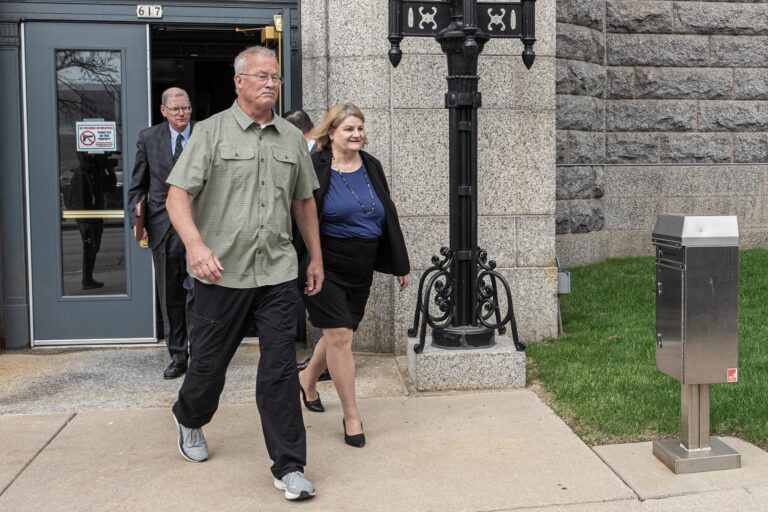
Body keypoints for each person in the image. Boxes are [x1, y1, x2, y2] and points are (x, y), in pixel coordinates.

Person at [165, 46, 323, 502]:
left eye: (275, 77)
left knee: (278, 370)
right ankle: (189, 416)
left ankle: (289, 466)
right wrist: (196, 246)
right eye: (261, 76)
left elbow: (304, 202)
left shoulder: (291, 138)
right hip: (222, 275)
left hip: (276, 273)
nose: (271, 83)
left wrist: (315, 258)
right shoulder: (210, 132)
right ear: (238, 81)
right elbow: (178, 196)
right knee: (208, 366)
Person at [296, 103, 410, 448]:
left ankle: (306, 378)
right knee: (340, 335)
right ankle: (352, 416)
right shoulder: (315, 165)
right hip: (323, 263)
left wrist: (400, 264)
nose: (356, 134)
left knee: (339, 335)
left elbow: (388, 214)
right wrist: (307, 260)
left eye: (360, 128)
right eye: (348, 128)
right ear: (331, 133)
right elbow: (299, 213)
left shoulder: (371, 165)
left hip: (361, 265)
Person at [128, 87, 194, 380]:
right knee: (171, 295)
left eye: (186, 108)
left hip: (200, 226)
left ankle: (201, 354)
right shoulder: (148, 138)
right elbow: (137, 185)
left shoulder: (205, 134)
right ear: (164, 111)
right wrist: (137, 218)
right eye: (176, 109)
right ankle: (178, 356)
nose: (182, 114)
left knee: (200, 293)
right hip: (163, 226)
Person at [68, 152, 117, 290]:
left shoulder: (98, 174)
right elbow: (76, 201)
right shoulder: (81, 175)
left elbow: (111, 188)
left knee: (95, 247)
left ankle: (88, 279)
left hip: (96, 215)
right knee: (90, 246)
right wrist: (84, 221)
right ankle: (87, 280)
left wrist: (110, 171)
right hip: (87, 218)